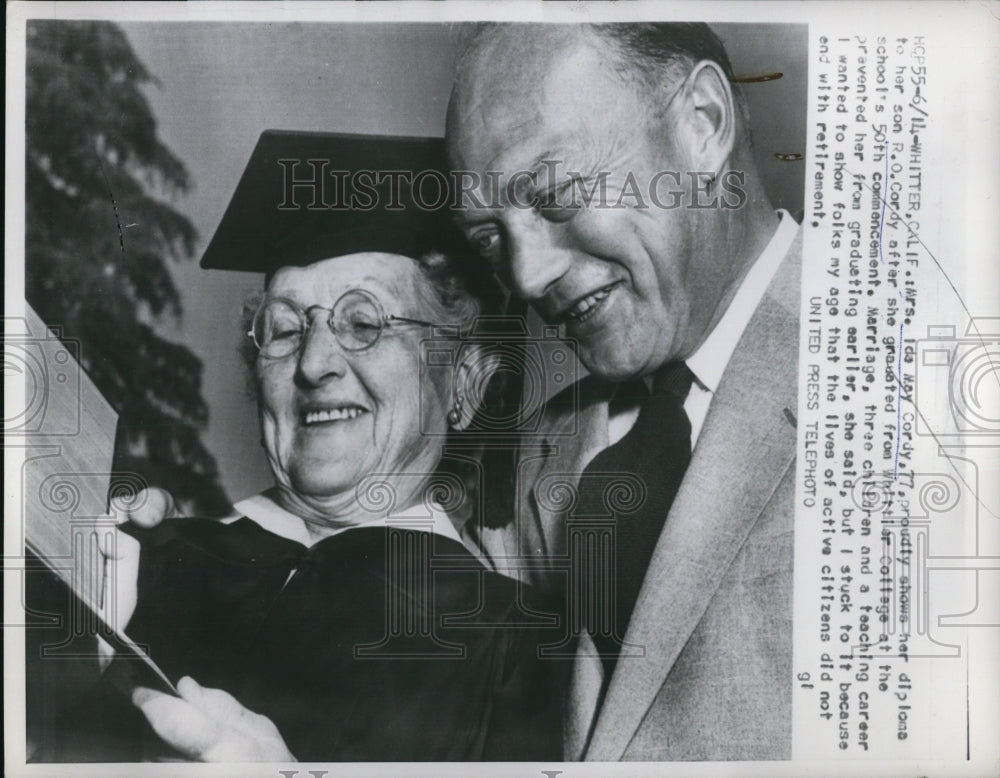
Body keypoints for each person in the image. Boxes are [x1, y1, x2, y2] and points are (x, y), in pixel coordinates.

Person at [54, 130, 564, 762]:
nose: (315, 363)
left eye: (365, 324)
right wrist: (65, 623)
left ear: (464, 382)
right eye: (286, 328)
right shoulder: (144, 563)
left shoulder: (514, 645)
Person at [444, 23, 802, 761]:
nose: (527, 275)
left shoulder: (920, 370)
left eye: (557, 193)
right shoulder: (543, 448)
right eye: (487, 239)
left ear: (702, 124)